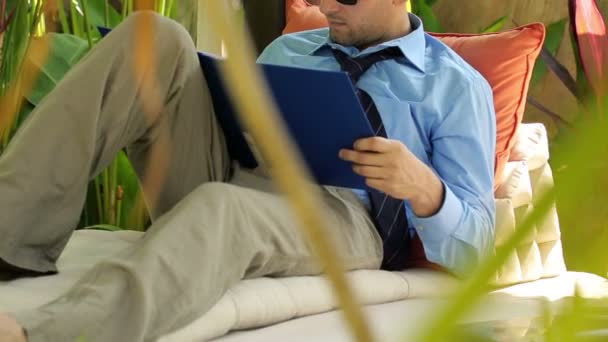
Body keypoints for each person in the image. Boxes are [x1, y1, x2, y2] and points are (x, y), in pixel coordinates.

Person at [0, 0, 496, 340]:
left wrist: (425, 188)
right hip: (248, 178)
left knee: (225, 207)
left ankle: (44, 333)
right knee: (155, 36)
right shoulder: (287, 52)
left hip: (351, 218)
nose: (327, 6)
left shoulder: (454, 86)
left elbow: (480, 244)